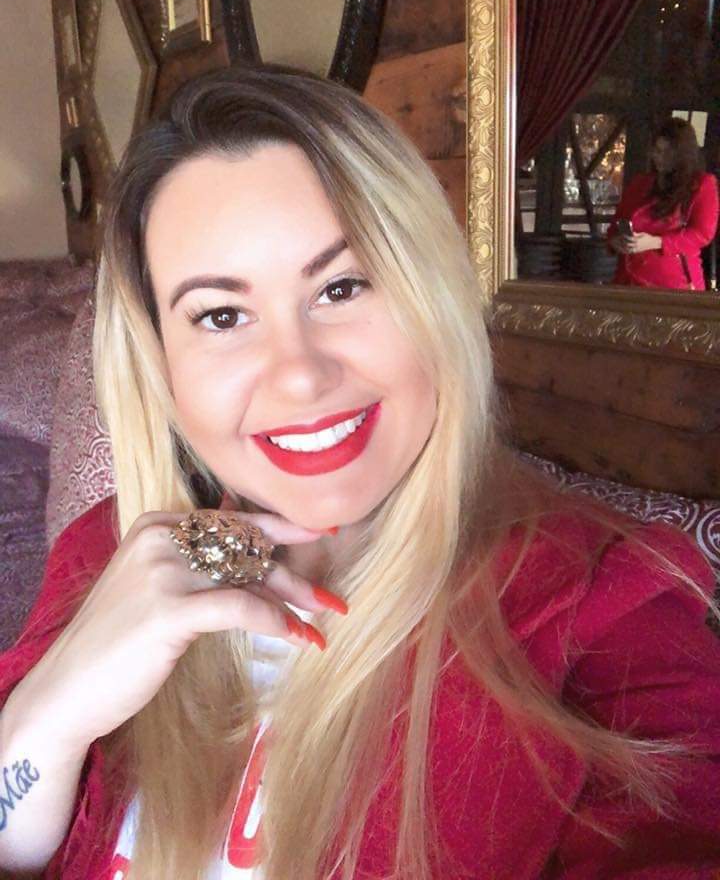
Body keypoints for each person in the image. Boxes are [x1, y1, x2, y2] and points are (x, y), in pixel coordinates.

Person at [0, 64, 719, 880]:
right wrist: (46, 719)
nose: (300, 375)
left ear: (432, 295)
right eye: (222, 316)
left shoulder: (606, 612)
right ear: (160, 361)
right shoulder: (108, 555)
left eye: (343, 287)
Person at [606, 117, 719, 290]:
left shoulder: (701, 184)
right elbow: (615, 225)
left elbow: (702, 234)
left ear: (682, 155)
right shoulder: (641, 183)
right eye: (657, 151)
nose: (659, 158)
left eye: (667, 153)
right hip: (629, 280)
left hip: (674, 283)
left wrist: (657, 242)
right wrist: (618, 241)